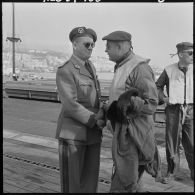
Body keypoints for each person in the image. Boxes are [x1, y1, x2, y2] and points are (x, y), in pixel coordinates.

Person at [102, 31, 161, 192]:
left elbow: (152, 104)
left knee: (122, 185)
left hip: (133, 137)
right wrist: (112, 106)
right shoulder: (123, 65)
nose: (105, 50)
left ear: (120, 47)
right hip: (125, 136)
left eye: (108, 47)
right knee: (133, 183)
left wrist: (123, 105)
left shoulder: (140, 69)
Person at [56, 26, 105, 193]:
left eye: (92, 45)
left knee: (90, 181)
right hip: (73, 134)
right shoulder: (66, 70)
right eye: (87, 44)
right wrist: (94, 119)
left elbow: (95, 99)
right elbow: (70, 105)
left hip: (93, 134)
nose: (91, 48)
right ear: (74, 45)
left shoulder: (90, 67)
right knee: (73, 184)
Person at [156, 42, 194, 183]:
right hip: (173, 110)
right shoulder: (169, 70)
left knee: (191, 143)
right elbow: (158, 86)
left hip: (191, 109)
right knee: (172, 142)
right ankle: (172, 172)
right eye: (190, 53)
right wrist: (164, 98)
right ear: (180, 54)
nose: (193, 56)